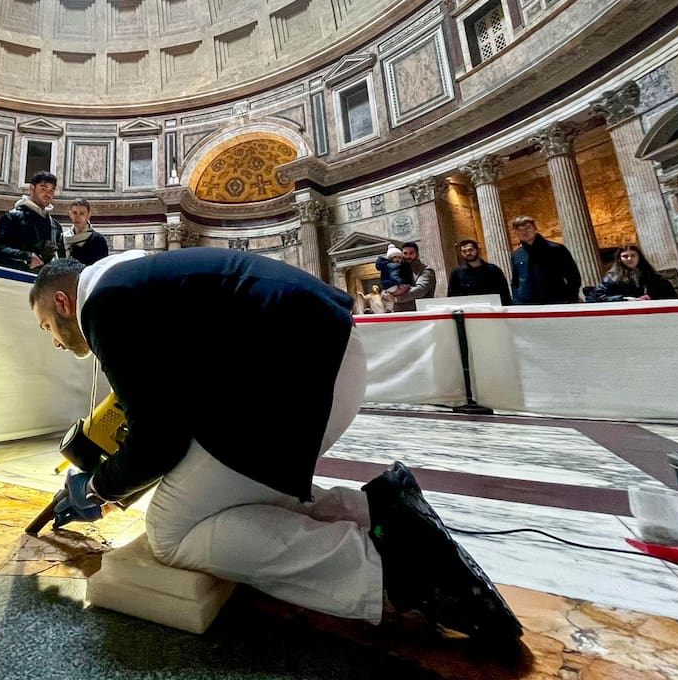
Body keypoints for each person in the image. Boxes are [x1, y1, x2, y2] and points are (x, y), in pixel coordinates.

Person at [28, 249, 522, 644]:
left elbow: (161, 437)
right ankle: (379, 511)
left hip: (294, 377)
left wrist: (96, 486)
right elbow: (168, 418)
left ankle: (391, 572)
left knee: (171, 532)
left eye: (46, 328)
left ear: (63, 303)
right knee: (235, 494)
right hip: (318, 358)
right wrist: (115, 479)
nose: (52, 342)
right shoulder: (129, 278)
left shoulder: (104, 306)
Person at [0, 170, 66, 272]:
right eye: (43, 188)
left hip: (45, 282)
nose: (48, 194)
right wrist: (27, 257)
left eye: (51, 190)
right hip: (16, 278)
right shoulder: (13, 217)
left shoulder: (56, 226)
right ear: (32, 188)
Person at [509, 216, 581, 304]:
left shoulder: (556, 249)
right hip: (527, 303)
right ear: (516, 233)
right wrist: (517, 301)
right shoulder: (516, 255)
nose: (524, 232)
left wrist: (570, 297)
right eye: (519, 230)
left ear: (535, 228)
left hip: (556, 301)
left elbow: (573, 276)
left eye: (528, 228)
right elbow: (516, 281)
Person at [588, 244, 677, 302]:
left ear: (639, 257)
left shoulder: (653, 276)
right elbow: (598, 296)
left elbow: (671, 297)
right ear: (619, 259)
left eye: (633, 255)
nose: (629, 259)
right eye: (625, 256)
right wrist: (624, 299)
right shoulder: (611, 278)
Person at [448, 239, 511, 305]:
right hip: (469, 312)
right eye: (464, 251)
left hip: (493, 311)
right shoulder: (457, 273)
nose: (468, 253)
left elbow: (505, 294)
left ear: (478, 250)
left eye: (470, 250)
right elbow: (452, 298)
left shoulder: (494, 270)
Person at [390, 242, 436, 312]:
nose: (408, 256)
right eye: (405, 253)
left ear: (417, 254)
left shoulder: (426, 271)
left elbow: (420, 290)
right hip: (399, 314)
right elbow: (387, 288)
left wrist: (396, 298)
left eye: (411, 253)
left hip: (420, 313)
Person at [65, 197, 109, 266]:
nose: (77, 217)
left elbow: (102, 268)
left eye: (81, 213)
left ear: (88, 215)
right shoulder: (63, 238)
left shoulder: (97, 240)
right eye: (74, 213)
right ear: (70, 214)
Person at [374, 245, 412, 311]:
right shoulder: (395, 265)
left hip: (387, 286)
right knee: (404, 289)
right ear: (390, 258)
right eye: (395, 257)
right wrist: (401, 283)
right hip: (393, 285)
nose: (397, 259)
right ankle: (389, 308)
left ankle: (388, 308)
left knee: (389, 300)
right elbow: (394, 276)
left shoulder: (386, 266)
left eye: (399, 257)